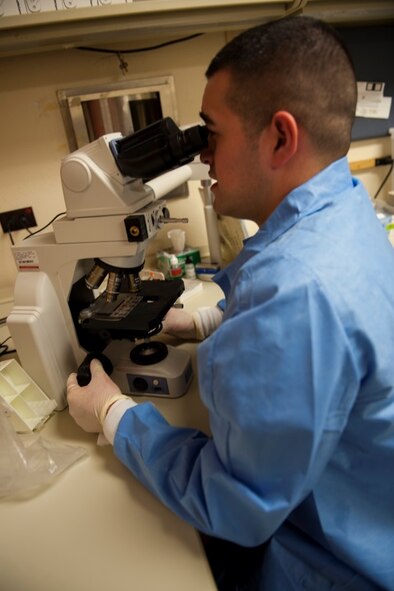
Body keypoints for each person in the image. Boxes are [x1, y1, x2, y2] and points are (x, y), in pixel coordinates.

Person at [67, 16, 394, 591]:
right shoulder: (343, 206)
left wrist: (113, 414)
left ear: (279, 137)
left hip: (329, 563)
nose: (202, 155)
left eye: (210, 133)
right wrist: (200, 321)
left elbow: (237, 505)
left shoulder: (296, 291)